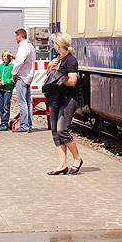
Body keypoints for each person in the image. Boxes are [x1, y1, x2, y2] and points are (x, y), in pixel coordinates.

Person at [45, 32, 82, 175]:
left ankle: (77, 159)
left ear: (58, 45)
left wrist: (59, 78)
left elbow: (72, 81)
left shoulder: (70, 60)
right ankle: (62, 164)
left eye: (54, 43)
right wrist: (50, 68)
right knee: (55, 132)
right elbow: (49, 77)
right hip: (55, 98)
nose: (53, 46)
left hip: (68, 98)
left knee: (62, 130)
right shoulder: (56, 60)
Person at [9, 28, 36, 132]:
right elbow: (26, 60)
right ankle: (28, 124)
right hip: (28, 76)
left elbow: (20, 62)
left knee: (22, 102)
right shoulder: (30, 46)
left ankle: (24, 125)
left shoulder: (23, 47)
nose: (16, 39)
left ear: (19, 37)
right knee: (28, 102)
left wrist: (14, 73)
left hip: (22, 77)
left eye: (16, 37)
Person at [0, 51, 14, 131]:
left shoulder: (11, 67)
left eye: (7, 56)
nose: (5, 58)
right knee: (0, 106)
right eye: (4, 56)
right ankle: (3, 121)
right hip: (1, 89)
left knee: (6, 106)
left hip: (7, 89)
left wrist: (5, 82)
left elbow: (12, 78)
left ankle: (4, 123)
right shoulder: (0, 66)